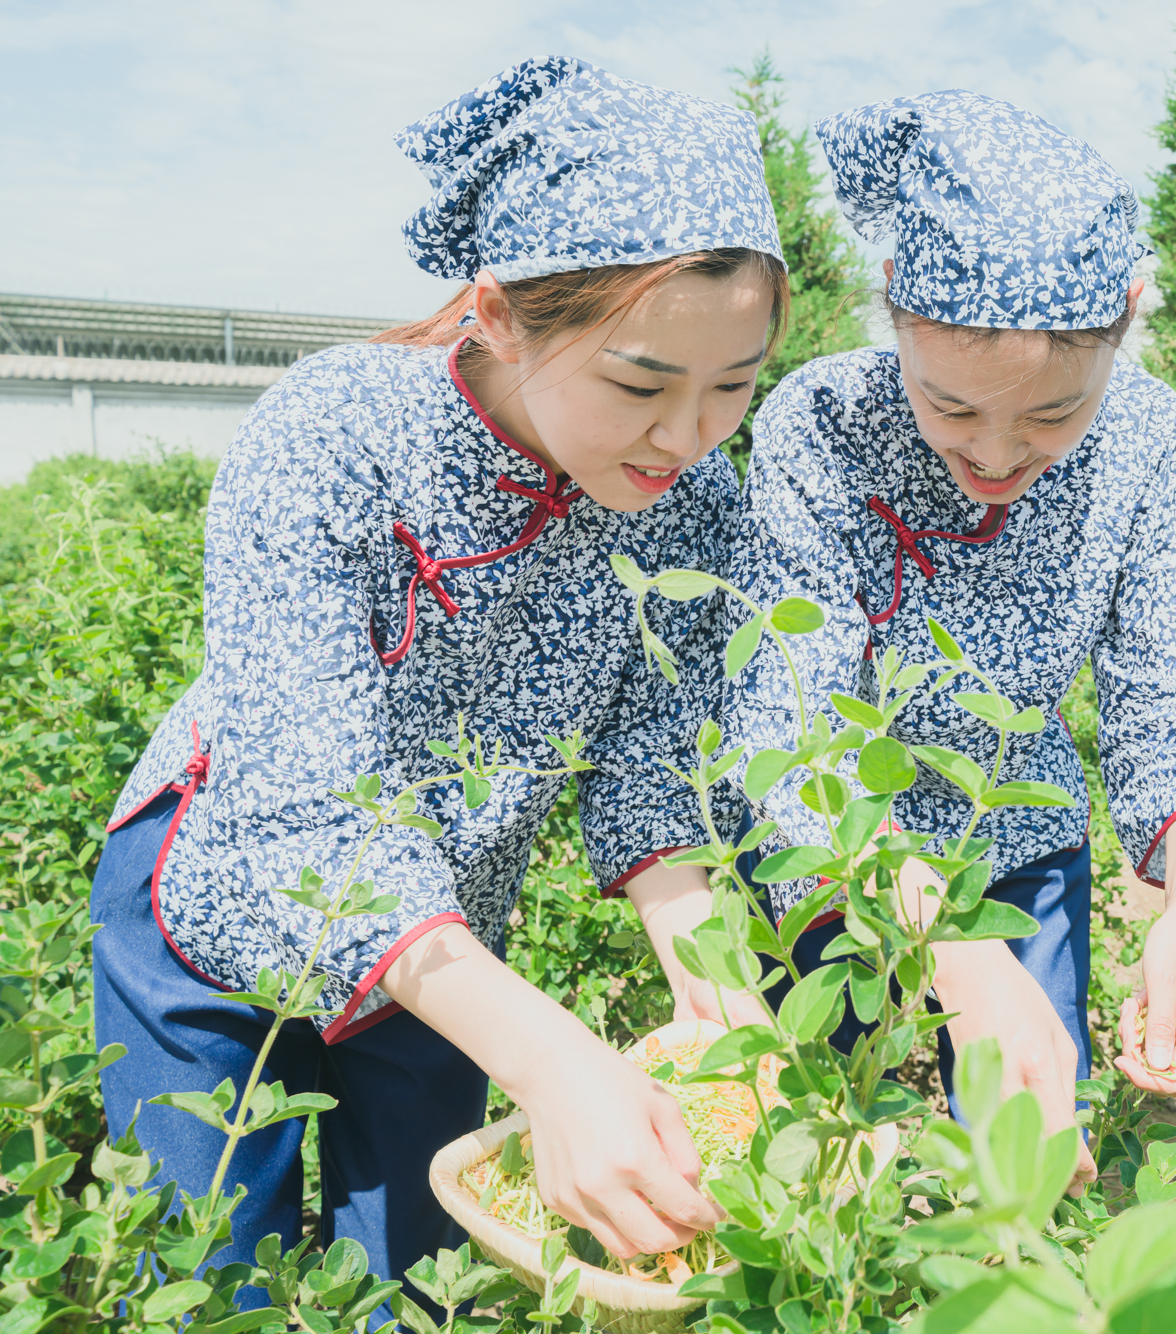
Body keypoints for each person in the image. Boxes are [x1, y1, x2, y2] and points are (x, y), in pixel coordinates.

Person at [90, 58, 783, 1304]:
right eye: (641, 384)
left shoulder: (694, 504)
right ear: (501, 316)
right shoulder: (335, 429)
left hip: (451, 946)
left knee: (422, 1281)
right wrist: (558, 1061)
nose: (686, 437)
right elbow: (301, 798)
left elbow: (649, 768)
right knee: (199, 1274)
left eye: (732, 387)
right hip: (210, 902)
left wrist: (719, 995)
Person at [721, 91, 1176, 1183]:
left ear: (1123, 316)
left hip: (1015, 844)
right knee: (820, 1151)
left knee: (1023, 1155)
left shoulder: (1149, 439)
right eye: (950, 406)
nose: (992, 452)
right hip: (833, 854)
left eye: (1049, 417)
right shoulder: (818, 425)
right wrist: (948, 951)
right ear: (890, 308)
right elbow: (786, 728)